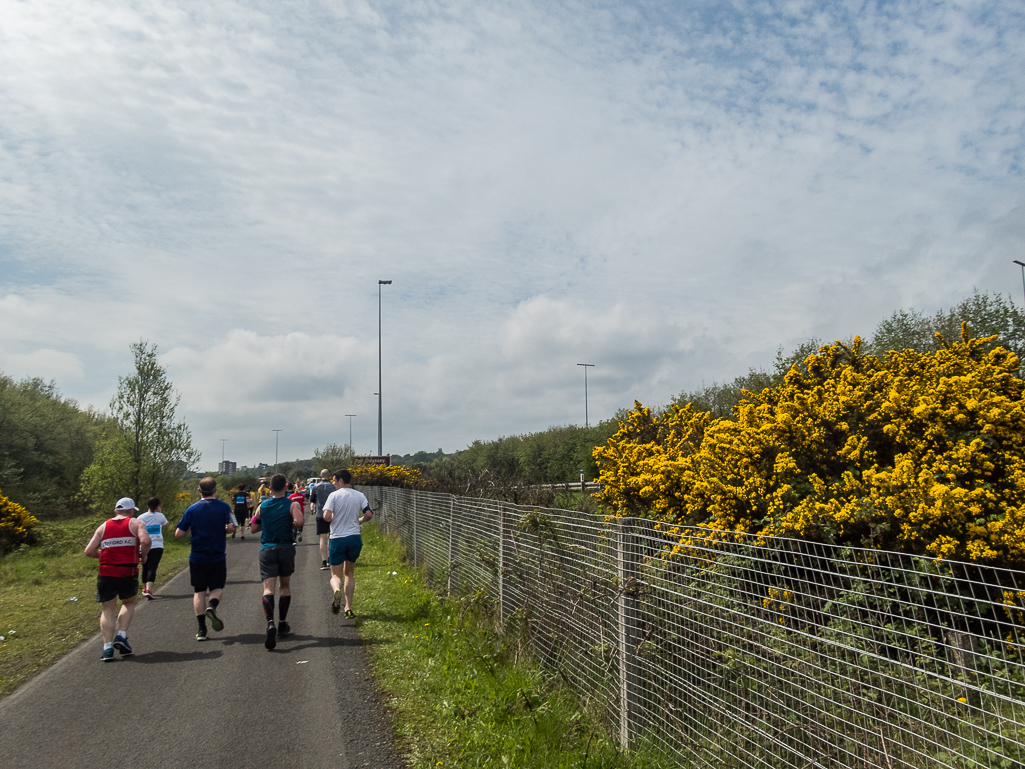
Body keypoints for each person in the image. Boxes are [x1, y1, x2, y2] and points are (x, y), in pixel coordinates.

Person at [84, 498, 152, 661]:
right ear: (130, 511)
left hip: (106, 571)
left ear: (116, 511)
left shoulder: (103, 526)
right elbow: (146, 541)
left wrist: (103, 555)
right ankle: (121, 635)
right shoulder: (136, 523)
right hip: (127, 570)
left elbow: (88, 551)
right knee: (128, 602)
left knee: (107, 609)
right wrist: (144, 555)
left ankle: (107, 648)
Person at [175, 477, 236, 640]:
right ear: (215, 490)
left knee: (199, 591)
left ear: (199, 490)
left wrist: (190, 529)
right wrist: (226, 529)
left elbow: (179, 533)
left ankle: (202, 630)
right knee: (217, 588)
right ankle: (212, 606)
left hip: (197, 556)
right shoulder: (225, 507)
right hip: (217, 554)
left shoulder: (192, 509)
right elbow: (232, 527)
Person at [249, 473, 304, 650]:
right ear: (286, 487)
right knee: (285, 586)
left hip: (267, 549)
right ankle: (282, 623)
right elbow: (299, 521)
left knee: (268, 588)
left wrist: (266, 523)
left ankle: (270, 622)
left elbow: (253, 528)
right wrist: (289, 523)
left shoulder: (262, 506)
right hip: (286, 547)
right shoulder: (292, 504)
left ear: (270, 488)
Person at [322, 469, 373, 619]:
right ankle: (348, 607)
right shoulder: (359, 495)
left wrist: (332, 518)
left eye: (334, 480)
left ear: (340, 481)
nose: (332, 483)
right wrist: (360, 520)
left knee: (335, 574)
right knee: (349, 573)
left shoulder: (333, 496)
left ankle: (336, 589)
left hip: (338, 538)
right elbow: (369, 513)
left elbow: (326, 516)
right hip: (354, 537)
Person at [137, 497, 168, 599]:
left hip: (144, 545)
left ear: (147, 506)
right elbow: (166, 526)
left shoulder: (141, 517)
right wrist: (160, 512)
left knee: (145, 567)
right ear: (158, 506)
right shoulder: (160, 516)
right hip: (157, 545)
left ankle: (144, 589)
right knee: (152, 567)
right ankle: (149, 590)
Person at [310, 469, 335, 570]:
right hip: (332, 514)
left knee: (322, 538)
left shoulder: (316, 487)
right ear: (329, 476)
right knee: (331, 537)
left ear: (320, 475)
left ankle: (324, 561)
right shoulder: (333, 486)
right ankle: (330, 559)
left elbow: (312, 500)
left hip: (320, 514)